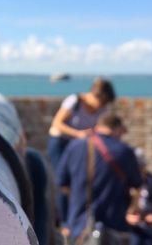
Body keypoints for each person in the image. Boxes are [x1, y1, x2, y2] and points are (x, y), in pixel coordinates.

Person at [55, 112, 142, 243]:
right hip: (114, 225)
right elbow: (137, 185)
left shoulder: (74, 146)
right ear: (117, 128)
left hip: (79, 226)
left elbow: (62, 184)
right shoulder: (125, 151)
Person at [48, 77, 116, 224]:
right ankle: (64, 221)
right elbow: (57, 123)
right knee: (63, 181)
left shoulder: (102, 109)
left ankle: (78, 219)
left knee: (80, 181)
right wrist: (78, 134)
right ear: (95, 95)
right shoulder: (75, 101)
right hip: (61, 143)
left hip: (79, 146)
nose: (102, 107)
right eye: (102, 102)